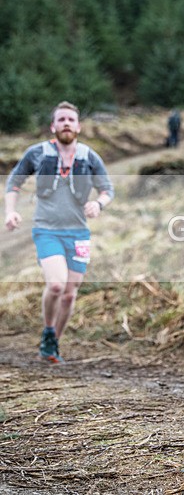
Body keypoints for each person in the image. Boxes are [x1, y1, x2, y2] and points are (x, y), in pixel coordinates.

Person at [4, 101, 114, 363]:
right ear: (53, 126)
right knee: (56, 285)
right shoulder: (38, 153)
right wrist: (10, 211)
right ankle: (49, 330)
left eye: (71, 120)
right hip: (47, 230)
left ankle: (52, 343)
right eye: (61, 119)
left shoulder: (88, 156)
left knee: (70, 293)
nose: (66, 123)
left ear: (79, 126)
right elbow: (14, 181)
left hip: (79, 234)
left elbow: (108, 189)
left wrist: (99, 204)